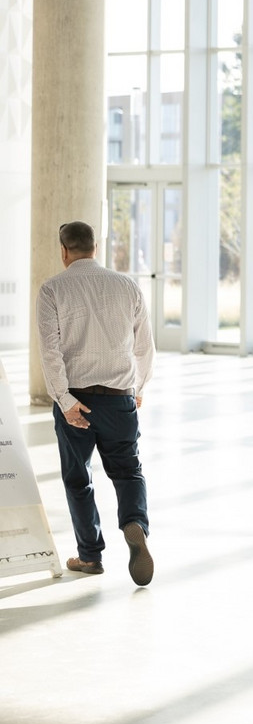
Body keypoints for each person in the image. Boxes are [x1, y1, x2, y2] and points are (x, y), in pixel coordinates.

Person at [36, 221, 156, 586]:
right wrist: (137, 388)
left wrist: (65, 400)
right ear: (96, 246)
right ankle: (135, 523)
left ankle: (90, 556)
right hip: (119, 399)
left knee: (78, 478)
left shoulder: (52, 289)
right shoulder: (127, 286)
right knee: (128, 471)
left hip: (77, 402)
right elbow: (144, 346)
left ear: (63, 250)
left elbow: (50, 352)